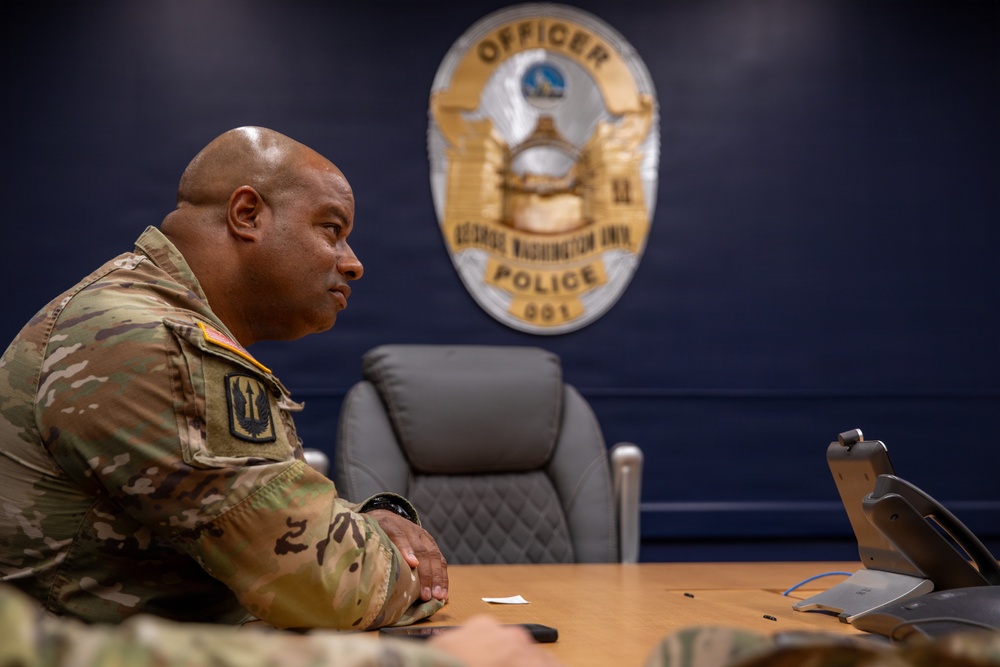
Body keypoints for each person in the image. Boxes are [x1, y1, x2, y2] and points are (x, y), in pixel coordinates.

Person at [0, 127, 447, 631]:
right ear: (247, 215)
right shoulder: (152, 343)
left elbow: (274, 519)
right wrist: (407, 565)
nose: (353, 262)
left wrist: (366, 523)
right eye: (331, 228)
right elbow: (330, 584)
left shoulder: (140, 316)